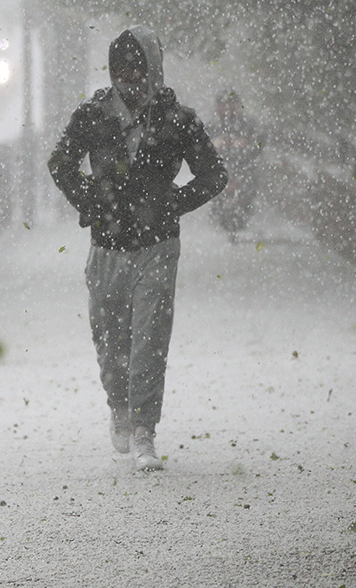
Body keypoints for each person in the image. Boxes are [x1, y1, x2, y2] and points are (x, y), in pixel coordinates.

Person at [47, 25, 227, 471]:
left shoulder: (177, 119)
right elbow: (61, 163)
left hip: (157, 245)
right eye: (120, 65)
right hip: (106, 246)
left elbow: (214, 175)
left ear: (153, 68)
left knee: (149, 338)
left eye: (137, 65)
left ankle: (145, 430)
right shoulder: (93, 115)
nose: (128, 74)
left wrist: (174, 204)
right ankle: (119, 407)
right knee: (110, 338)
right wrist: (89, 201)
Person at [208, 90, 265, 239]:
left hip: (244, 168)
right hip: (220, 169)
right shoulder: (212, 126)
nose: (228, 109)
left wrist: (246, 145)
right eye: (223, 105)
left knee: (245, 189)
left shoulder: (250, 125)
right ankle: (222, 218)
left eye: (232, 105)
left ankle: (241, 218)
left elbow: (259, 144)